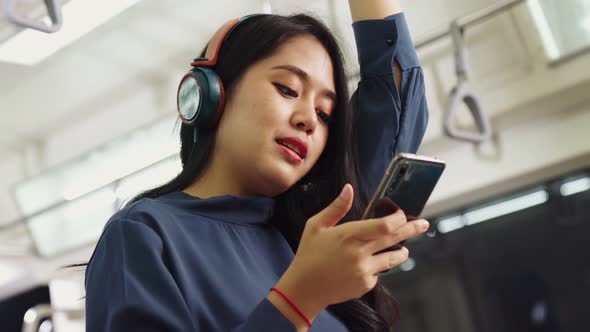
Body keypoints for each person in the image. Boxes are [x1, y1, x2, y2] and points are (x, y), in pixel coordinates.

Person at [84, 1, 429, 331]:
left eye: (325, 114)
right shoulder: (144, 235)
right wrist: (300, 299)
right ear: (212, 93)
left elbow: (395, 94)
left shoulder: (315, 231)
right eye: (287, 89)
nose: (309, 119)